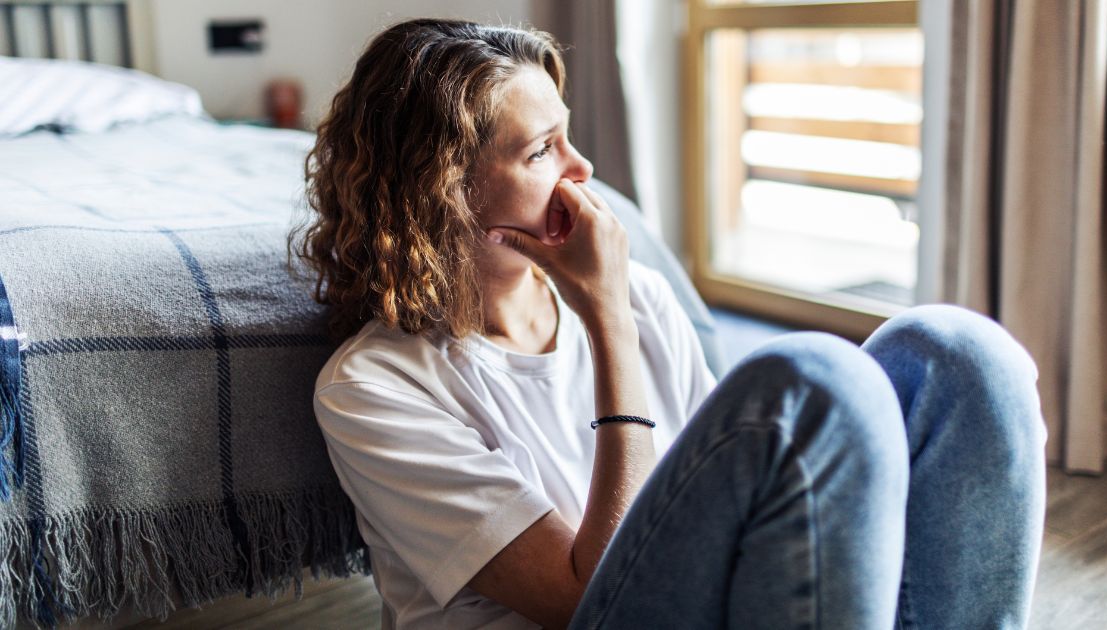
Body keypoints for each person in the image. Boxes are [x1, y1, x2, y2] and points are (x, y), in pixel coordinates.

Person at [291, 18, 1048, 630]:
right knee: (816, 380)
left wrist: (618, 305)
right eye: (542, 150)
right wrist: (608, 321)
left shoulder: (642, 291)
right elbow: (580, 597)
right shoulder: (373, 387)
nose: (582, 169)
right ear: (444, 192)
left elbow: (723, 490)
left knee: (957, 352)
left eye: (569, 134)